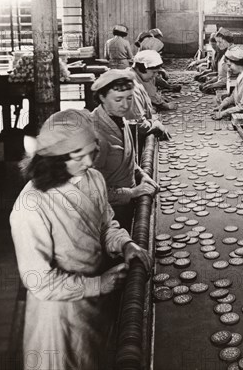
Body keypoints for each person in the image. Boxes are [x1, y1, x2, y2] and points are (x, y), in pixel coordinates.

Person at [10, 109, 151, 370]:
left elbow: (106, 224)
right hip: (58, 315)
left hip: (94, 303)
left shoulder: (93, 179)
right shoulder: (32, 205)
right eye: (78, 156)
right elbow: (39, 282)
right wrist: (99, 284)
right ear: (54, 158)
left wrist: (125, 243)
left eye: (93, 152)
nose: (88, 162)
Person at [91, 69, 159, 230]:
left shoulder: (120, 120)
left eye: (129, 98)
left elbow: (127, 158)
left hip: (126, 205)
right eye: (118, 99)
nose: (125, 105)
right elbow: (91, 190)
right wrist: (133, 193)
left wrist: (142, 174)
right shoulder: (95, 134)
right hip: (108, 214)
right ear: (102, 97)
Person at [212, 46, 243, 120]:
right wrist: (224, 103)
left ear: (237, 63)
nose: (229, 69)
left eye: (230, 65)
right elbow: (234, 95)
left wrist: (223, 113)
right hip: (238, 112)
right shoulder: (241, 74)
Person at [200, 28, 233, 94]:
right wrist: (210, 83)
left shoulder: (230, 58)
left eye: (219, 42)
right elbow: (221, 75)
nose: (217, 45)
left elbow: (229, 80)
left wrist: (212, 85)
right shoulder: (221, 55)